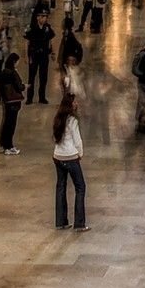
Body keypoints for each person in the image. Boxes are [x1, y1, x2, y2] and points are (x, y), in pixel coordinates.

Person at [53, 92, 88, 230]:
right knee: (80, 187)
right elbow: (77, 140)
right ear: (69, 105)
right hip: (70, 156)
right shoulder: (73, 120)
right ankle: (79, 223)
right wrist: (80, 153)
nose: (76, 104)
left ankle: (61, 222)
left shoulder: (58, 118)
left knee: (60, 187)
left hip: (58, 156)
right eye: (74, 102)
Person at [0, 48, 26, 155]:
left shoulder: (3, 72)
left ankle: (4, 145)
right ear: (14, 62)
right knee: (11, 124)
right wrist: (24, 86)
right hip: (14, 102)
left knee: (6, 123)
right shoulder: (13, 73)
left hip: (6, 101)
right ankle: (9, 146)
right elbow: (19, 86)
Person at [27, 9, 55, 104]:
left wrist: (52, 53)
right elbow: (27, 42)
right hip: (34, 55)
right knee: (31, 77)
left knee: (43, 77)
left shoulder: (48, 28)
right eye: (42, 16)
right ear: (37, 17)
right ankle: (29, 98)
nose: (44, 18)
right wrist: (25, 56)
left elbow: (51, 41)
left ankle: (42, 97)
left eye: (45, 17)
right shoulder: (32, 28)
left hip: (44, 55)